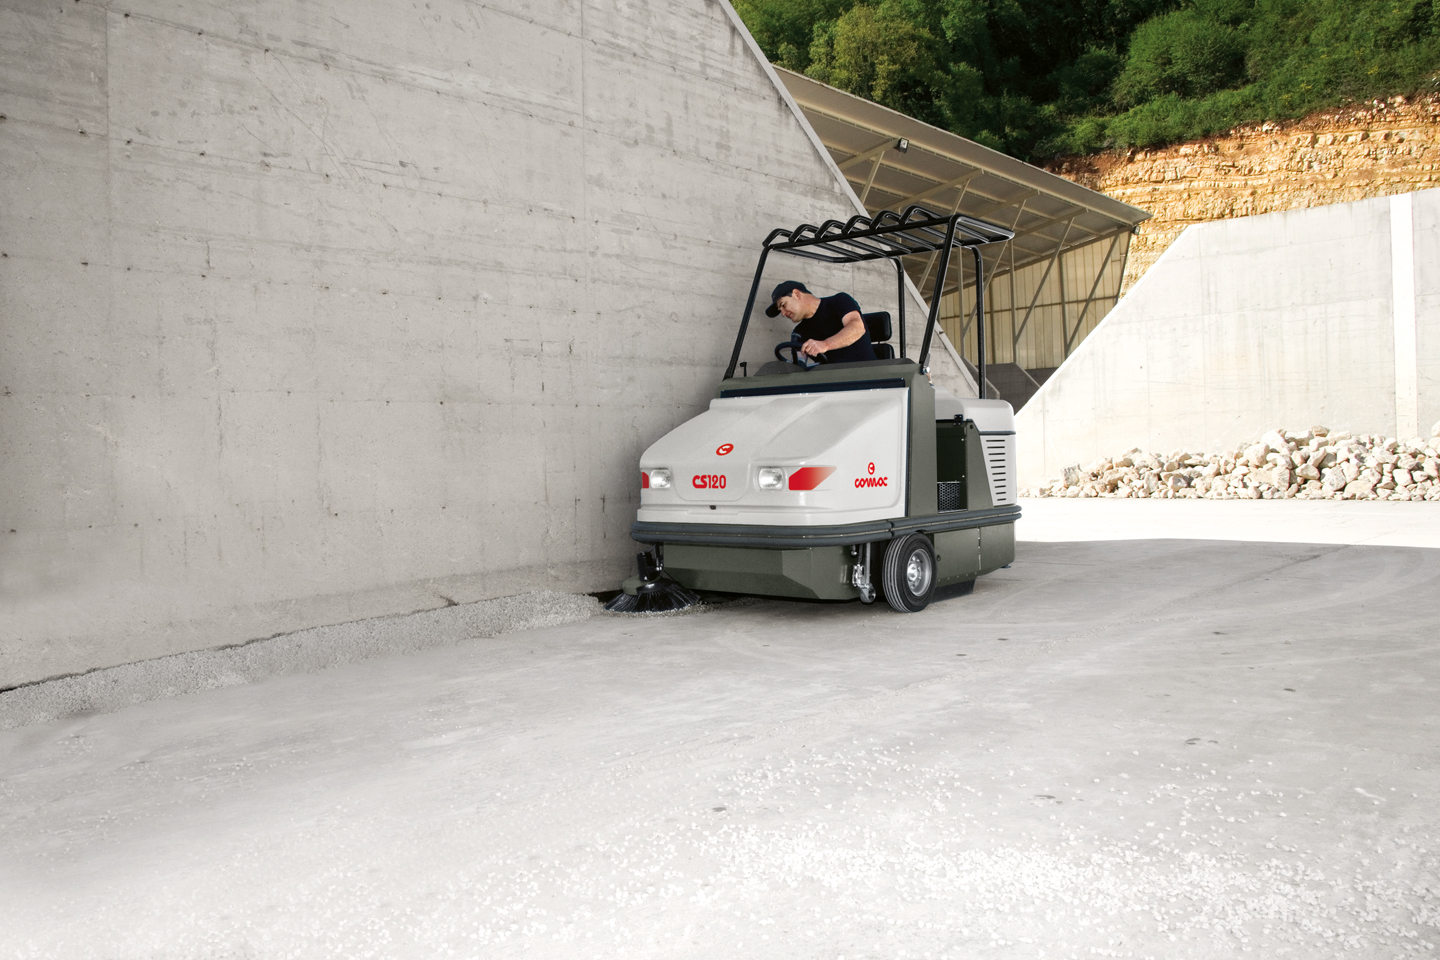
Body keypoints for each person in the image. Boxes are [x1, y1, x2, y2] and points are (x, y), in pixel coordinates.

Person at [765, 281, 877, 364]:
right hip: (833, 383)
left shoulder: (840, 301)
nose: (783, 313)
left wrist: (825, 345)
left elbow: (857, 328)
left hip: (867, 377)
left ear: (797, 294)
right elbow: (799, 365)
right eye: (780, 311)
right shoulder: (799, 333)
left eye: (783, 305)